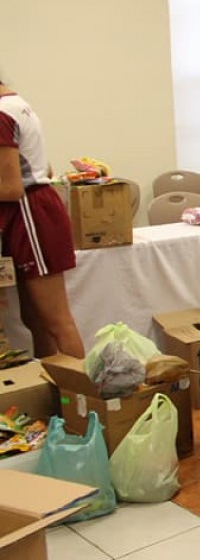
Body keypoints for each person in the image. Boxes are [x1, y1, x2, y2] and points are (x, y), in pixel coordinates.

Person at [0, 80, 84, 359]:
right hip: (31, 209)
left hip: (30, 214)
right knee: (35, 320)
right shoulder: (17, 104)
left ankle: (80, 388)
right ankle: (53, 385)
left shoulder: (2, 114)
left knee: (56, 322)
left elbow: (11, 187)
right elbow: (42, 168)